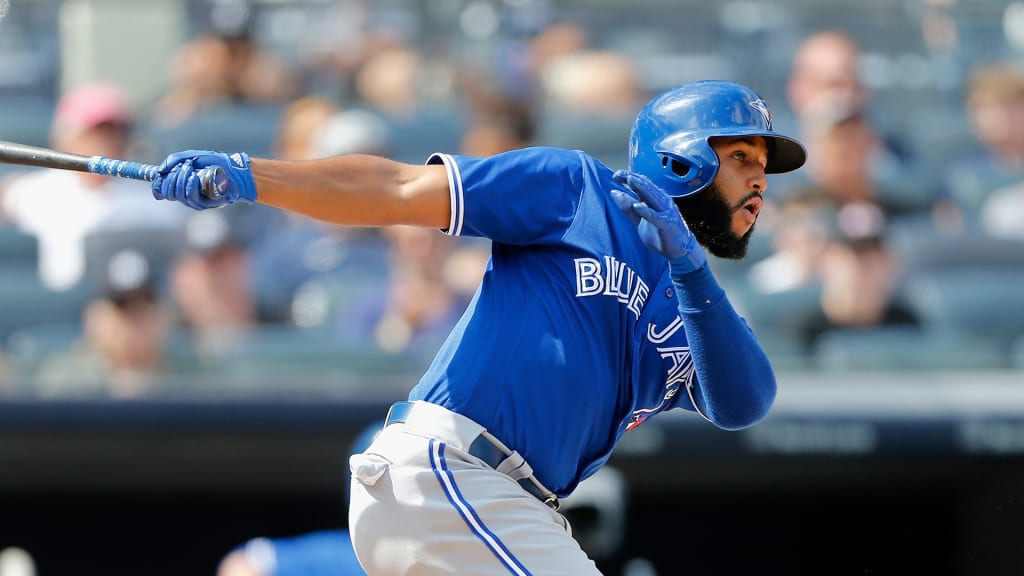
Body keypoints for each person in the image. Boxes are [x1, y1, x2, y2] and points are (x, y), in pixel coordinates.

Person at [148, 79, 806, 574]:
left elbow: (745, 403)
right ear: (683, 157)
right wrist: (254, 176)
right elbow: (400, 190)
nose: (761, 181)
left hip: (508, 508)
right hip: (453, 475)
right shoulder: (578, 191)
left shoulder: (695, 298)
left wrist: (691, 270)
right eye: (745, 156)